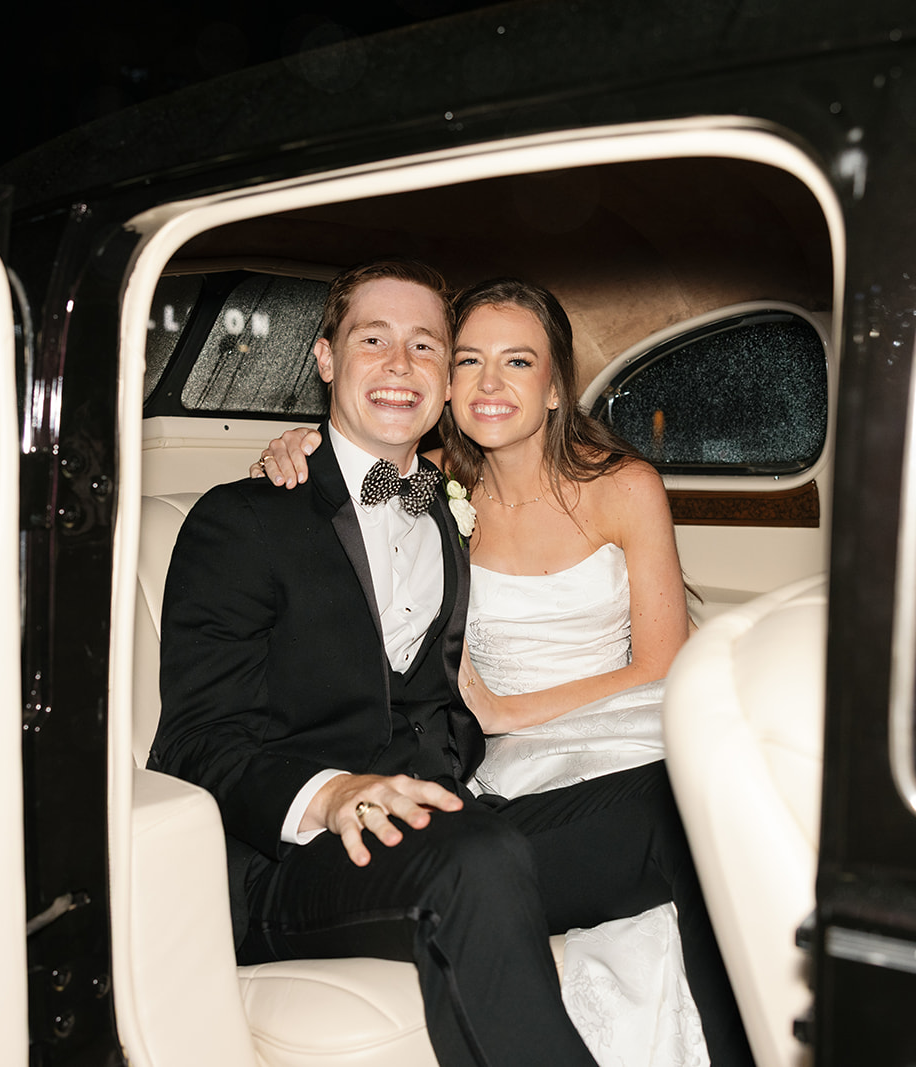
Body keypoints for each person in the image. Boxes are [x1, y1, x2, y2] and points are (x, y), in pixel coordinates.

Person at [151, 258, 745, 1067]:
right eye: (374, 340)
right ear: (324, 360)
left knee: (687, 802)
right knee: (478, 856)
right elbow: (191, 743)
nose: (401, 365)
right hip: (303, 860)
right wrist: (333, 795)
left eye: (427, 347)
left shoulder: (437, 506)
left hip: (454, 808)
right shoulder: (243, 521)